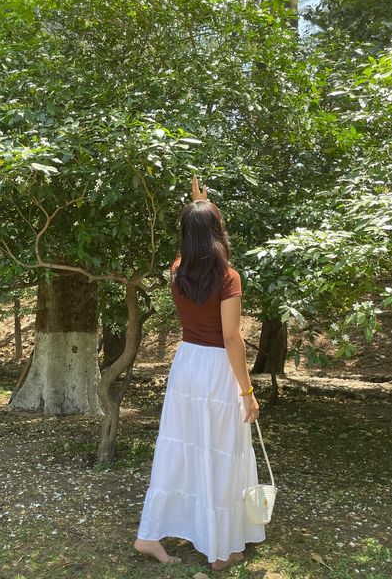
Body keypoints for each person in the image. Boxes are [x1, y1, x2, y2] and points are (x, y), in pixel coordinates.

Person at [134, 176, 265, 571]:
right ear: (218, 231)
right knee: (222, 452)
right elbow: (231, 338)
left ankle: (151, 535)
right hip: (216, 370)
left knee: (183, 449)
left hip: (187, 363)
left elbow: (191, 243)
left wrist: (196, 206)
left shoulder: (178, 268)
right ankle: (221, 548)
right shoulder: (228, 277)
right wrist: (247, 391)